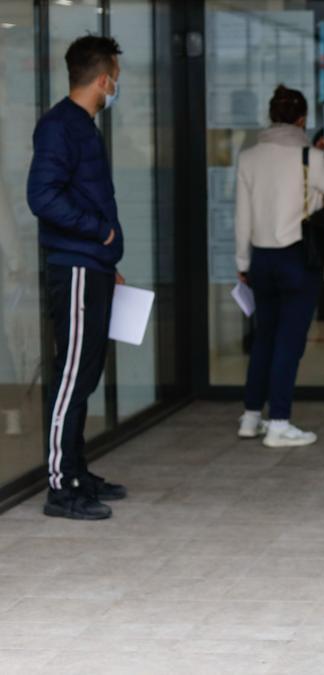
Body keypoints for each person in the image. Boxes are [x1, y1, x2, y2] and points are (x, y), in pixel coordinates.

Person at [26, 35, 128, 520]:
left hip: (93, 267)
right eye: (116, 78)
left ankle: (78, 471)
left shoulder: (81, 125)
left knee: (84, 376)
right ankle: (61, 487)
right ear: (104, 78)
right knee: (71, 377)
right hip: (76, 267)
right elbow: (42, 197)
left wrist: (109, 259)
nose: (116, 87)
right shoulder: (59, 127)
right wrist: (100, 235)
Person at [234, 85, 324, 447]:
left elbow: (242, 215)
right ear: (302, 119)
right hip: (298, 259)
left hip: (261, 258)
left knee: (264, 339)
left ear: (272, 116)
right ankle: (280, 423)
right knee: (289, 342)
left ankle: (251, 416)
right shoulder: (309, 157)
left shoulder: (250, 156)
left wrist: (242, 262)